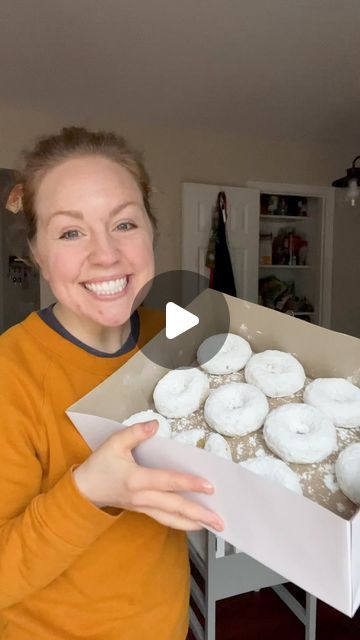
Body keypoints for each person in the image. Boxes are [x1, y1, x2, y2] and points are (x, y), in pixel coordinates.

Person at [0, 127, 224, 640]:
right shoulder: (9, 377)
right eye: (71, 232)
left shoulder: (175, 337)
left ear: (151, 233)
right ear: (36, 253)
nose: (105, 255)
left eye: (124, 223)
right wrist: (88, 492)